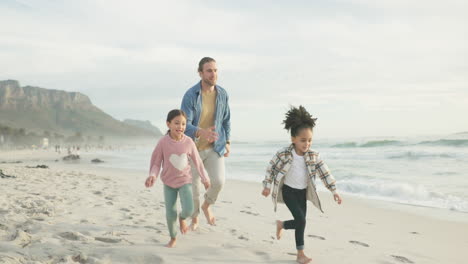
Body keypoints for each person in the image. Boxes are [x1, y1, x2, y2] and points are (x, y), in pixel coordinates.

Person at [261, 105, 342, 264]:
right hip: (289, 192)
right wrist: (267, 185)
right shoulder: (284, 154)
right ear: (293, 139)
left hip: (302, 193)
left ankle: (282, 224)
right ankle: (300, 254)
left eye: (310, 140)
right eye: (303, 140)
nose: (307, 144)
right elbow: (271, 168)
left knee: (300, 223)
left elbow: (325, 173)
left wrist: (334, 191)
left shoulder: (313, 156)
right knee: (302, 221)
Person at [145, 109, 210, 248]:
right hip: (168, 183)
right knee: (170, 213)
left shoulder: (189, 142)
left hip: (185, 180)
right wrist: (152, 175)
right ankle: (173, 237)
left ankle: (182, 219)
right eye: (177, 123)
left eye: (183, 124)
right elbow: (156, 163)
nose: (180, 127)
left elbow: (198, 162)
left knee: (189, 209)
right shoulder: (163, 142)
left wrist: (205, 178)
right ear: (168, 124)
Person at [181, 57, 231, 229]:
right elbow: (184, 125)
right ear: (200, 73)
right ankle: (195, 217)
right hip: (193, 149)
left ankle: (207, 205)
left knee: (219, 181)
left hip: (215, 147)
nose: (213, 74)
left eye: (215, 70)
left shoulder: (223, 94)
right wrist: (202, 132)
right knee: (193, 189)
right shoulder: (190, 95)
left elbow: (226, 120)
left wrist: (228, 142)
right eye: (209, 70)